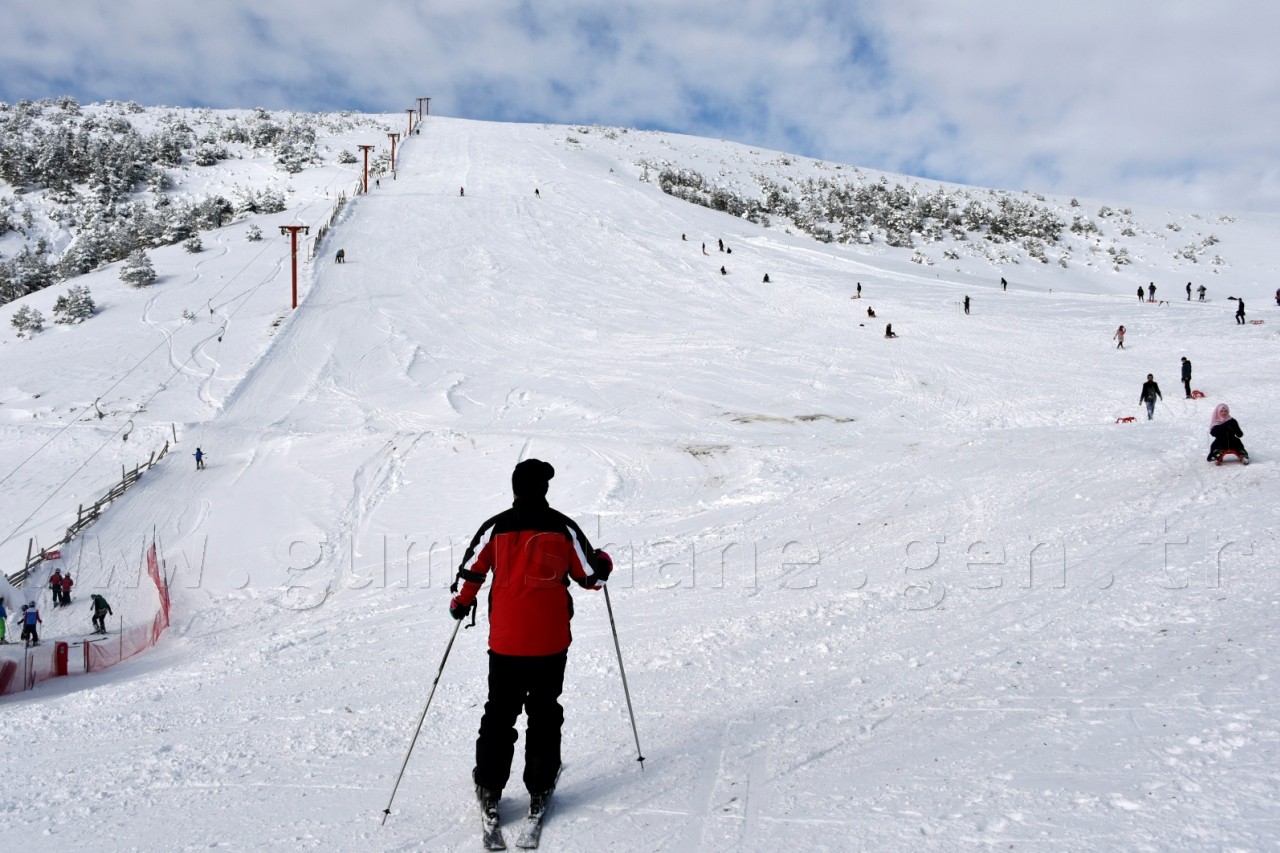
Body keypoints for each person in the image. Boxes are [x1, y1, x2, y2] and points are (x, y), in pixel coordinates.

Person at [449, 459, 611, 825]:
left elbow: (469, 574)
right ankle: (539, 786)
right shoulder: (563, 527)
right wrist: (603, 561)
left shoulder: (495, 528)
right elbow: (592, 579)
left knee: (500, 712)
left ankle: (489, 787)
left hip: (506, 642)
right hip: (551, 642)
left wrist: (459, 604)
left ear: (515, 489)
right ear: (545, 490)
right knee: (544, 711)